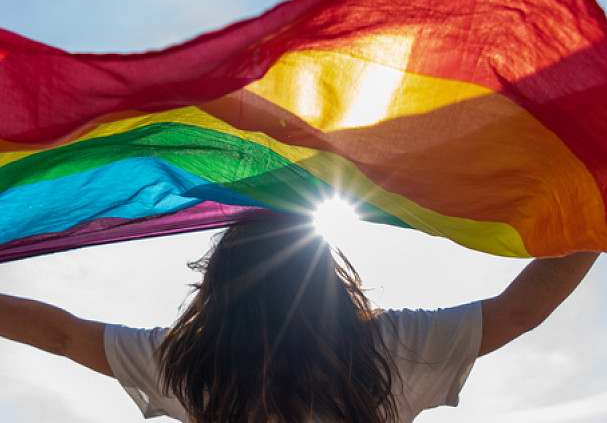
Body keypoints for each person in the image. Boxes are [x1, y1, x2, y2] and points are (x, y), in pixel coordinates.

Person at [0, 212, 599, 422]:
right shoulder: (390, 348)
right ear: (326, 276)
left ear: (218, 282)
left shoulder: (188, 364)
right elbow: (519, 312)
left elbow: (61, 334)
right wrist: (593, 225)